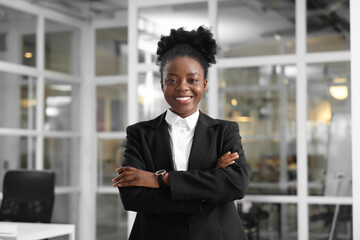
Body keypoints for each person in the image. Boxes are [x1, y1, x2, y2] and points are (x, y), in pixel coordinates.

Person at [112, 26, 251, 240]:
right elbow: (133, 196)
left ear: (204, 85)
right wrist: (206, 193)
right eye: (172, 80)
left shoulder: (225, 131)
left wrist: (160, 180)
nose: (182, 88)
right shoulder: (139, 133)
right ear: (162, 85)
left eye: (192, 80)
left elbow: (236, 184)